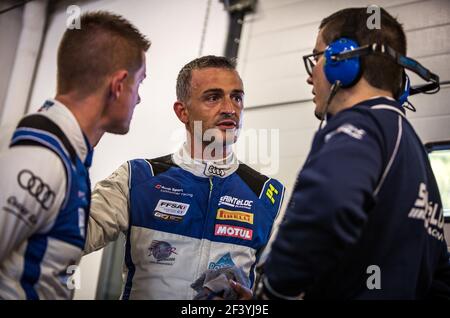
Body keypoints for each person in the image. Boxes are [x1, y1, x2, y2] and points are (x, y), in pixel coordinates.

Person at [257, 7, 450, 299]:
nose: (311, 78)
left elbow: (327, 205)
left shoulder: (363, 123)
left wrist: (274, 290)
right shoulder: (414, 150)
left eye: (317, 58)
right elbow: (441, 276)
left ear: (341, 60)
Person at [84, 55, 285, 299]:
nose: (230, 109)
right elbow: (68, 237)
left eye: (237, 97)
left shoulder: (267, 194)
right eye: (213, 97)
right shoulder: (137, 178)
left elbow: (288, 288)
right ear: (183, 112)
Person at [0, 11, 150, 300]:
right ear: (118, 85)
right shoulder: (43, 160)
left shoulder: (68, 155)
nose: (139, 97)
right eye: (139, 82)